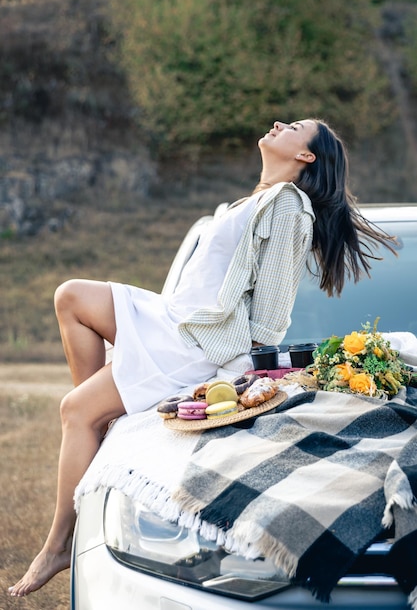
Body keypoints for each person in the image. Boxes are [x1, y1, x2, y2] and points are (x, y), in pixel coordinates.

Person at [8, 118, 397, 597]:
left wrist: (237, 379)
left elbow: (272, 312)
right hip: (171, 319)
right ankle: (100, 426)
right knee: (72, 297)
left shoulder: (290, 205)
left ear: (306, 157)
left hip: (192, 345)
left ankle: (58, 541)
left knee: (74, 411)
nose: (278, 123)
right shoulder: (257, 199)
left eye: (294, 127)